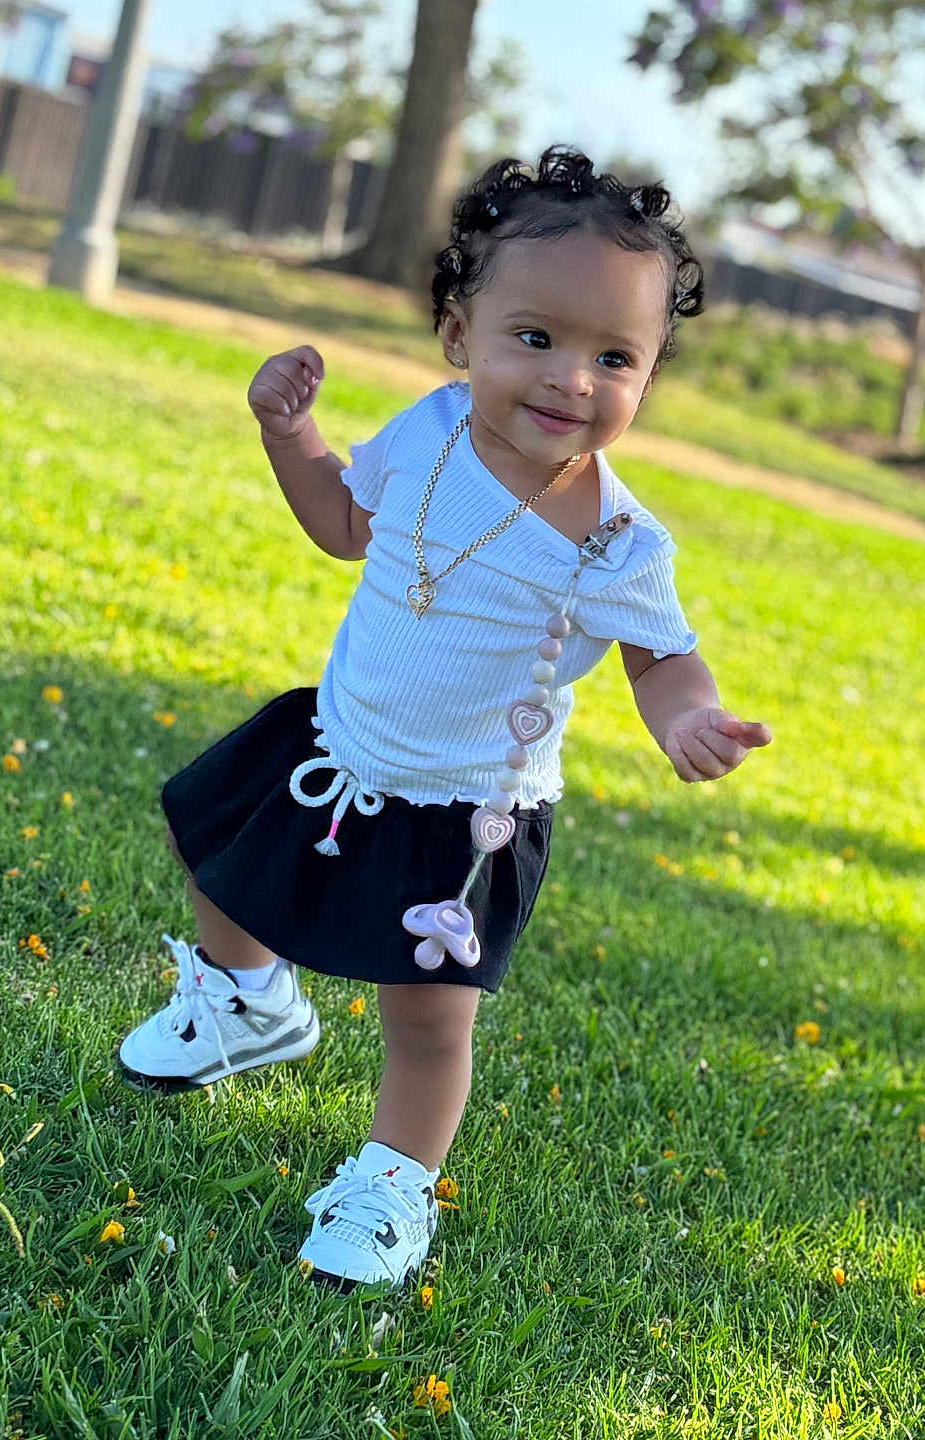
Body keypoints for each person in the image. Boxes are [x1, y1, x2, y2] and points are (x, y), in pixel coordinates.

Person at [118, 146, 772, 1291]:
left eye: (614, 357)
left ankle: (392, 1183)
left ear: (648, 376)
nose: (572, 379)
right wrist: (289, 436)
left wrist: (689, 718)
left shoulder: (617, 542)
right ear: (460, 335)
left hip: (465, 815)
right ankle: (247, 999)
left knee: (425, 1018)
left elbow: (663, 656)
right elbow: (343, 524)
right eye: (538, 337)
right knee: (211, 853)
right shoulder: (427, 431)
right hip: (337, 745)